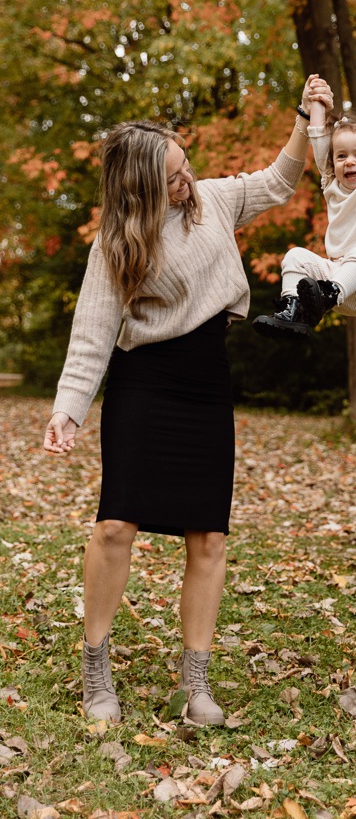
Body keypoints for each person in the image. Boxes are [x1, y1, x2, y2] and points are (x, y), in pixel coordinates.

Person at [42, 75, 332, 725]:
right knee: (116, 525)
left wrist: (304, 116)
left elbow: (280, 180)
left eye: (186, 166)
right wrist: (68, 410)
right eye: (173, 176)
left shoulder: (214, 201)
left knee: (208, 536)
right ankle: (96, 670)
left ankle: (195, 683)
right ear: (140, 186)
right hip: (144, 382)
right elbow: (92, 331)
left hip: (206, 381)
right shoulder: (119, 240)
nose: (186, 180)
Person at [253, 80, 356, 337]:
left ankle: (327, 295)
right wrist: (316, 103)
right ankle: (295, 310)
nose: (349, 162)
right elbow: (319, 139)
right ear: (333, 163)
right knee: (295, 256)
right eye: (342, 156)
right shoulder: (331, 183)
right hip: (336, 275)